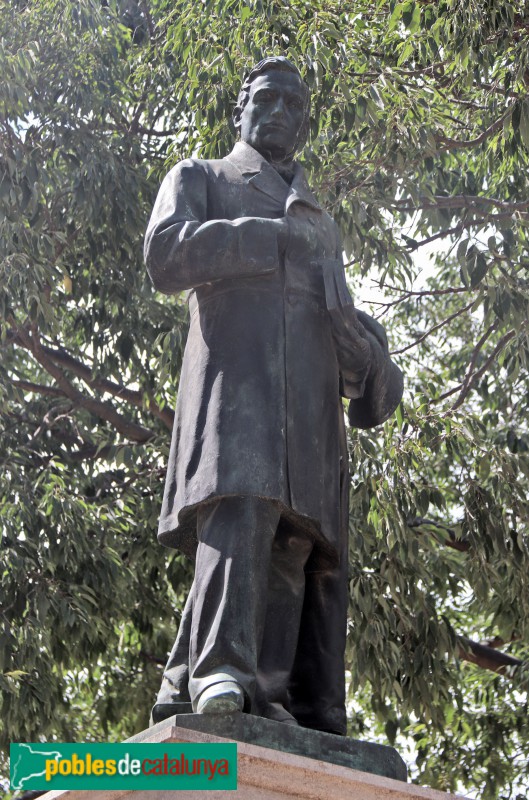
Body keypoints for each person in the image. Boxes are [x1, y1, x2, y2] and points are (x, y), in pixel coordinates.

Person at [144, 56, 403, 735]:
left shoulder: (321, 221)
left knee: (293, 537)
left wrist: (362, 358)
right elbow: (165, 255)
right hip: (238, 388)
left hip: (309, 409)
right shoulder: (201, 177)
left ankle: (266, 690)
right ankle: (218, 671)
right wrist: (267, 240)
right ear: (241, 108)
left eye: (294, 103)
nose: (281, 111)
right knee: (243, 512)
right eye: (268, 98)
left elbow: (337, 314)